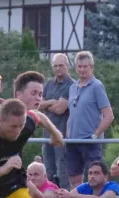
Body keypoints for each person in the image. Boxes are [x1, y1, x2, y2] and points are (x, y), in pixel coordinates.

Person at [66, 51, 114, 198]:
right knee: (75, 180)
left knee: (96, 179)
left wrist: (95, 135)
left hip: (89, 142)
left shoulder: (97, 86)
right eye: (79, 66)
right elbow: (71, 115)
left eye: (85, 66)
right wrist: (66, 135)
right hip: (72, 141)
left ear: (92, 68)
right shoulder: (72, 87)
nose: (82, 70)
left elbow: (109, 115)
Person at [39, 53, 74, 189]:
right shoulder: (48, 84)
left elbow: (60, 109)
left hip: (62, 136)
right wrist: (52, 102)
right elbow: (38, 104)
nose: (58, 68)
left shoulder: (71, 85)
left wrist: (47, 104)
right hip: (47, 135)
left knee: (63, 171)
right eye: (55, 66)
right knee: (48, 171)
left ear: (67, 66)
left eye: (61, 65)